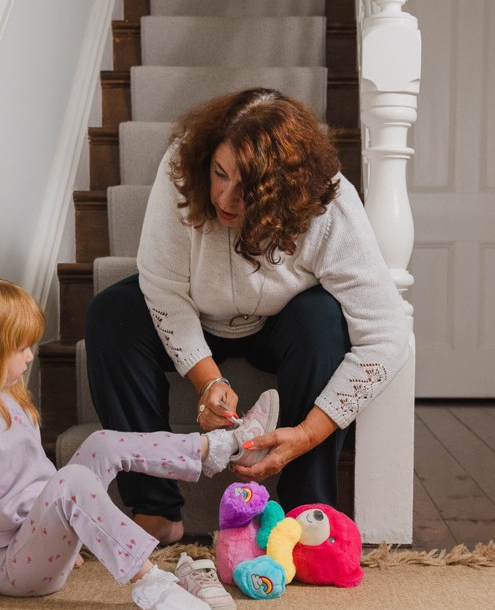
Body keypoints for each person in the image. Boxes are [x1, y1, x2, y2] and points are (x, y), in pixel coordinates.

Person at [85, 87, 409, 545]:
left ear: (287, 194)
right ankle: (156, 508)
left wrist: (305, 433)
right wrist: (208, 382)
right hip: (195, 312)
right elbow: (162, 286)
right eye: (221, 174)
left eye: (249, 191)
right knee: (110, 314)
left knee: (324, 321)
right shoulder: (182, 169)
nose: (227, 198)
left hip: (282, 323)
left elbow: (388, 333)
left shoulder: (328, 204)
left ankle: (306, 510)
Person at [0, 272, 279, 610]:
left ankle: (222, 446)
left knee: (101, 443)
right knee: (72, 480)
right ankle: (149, 581)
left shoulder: (9, 401)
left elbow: (36, 482)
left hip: (33, 547)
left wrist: (59, 538)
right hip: (6, 566)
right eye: (19, 349)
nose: (30, 358)